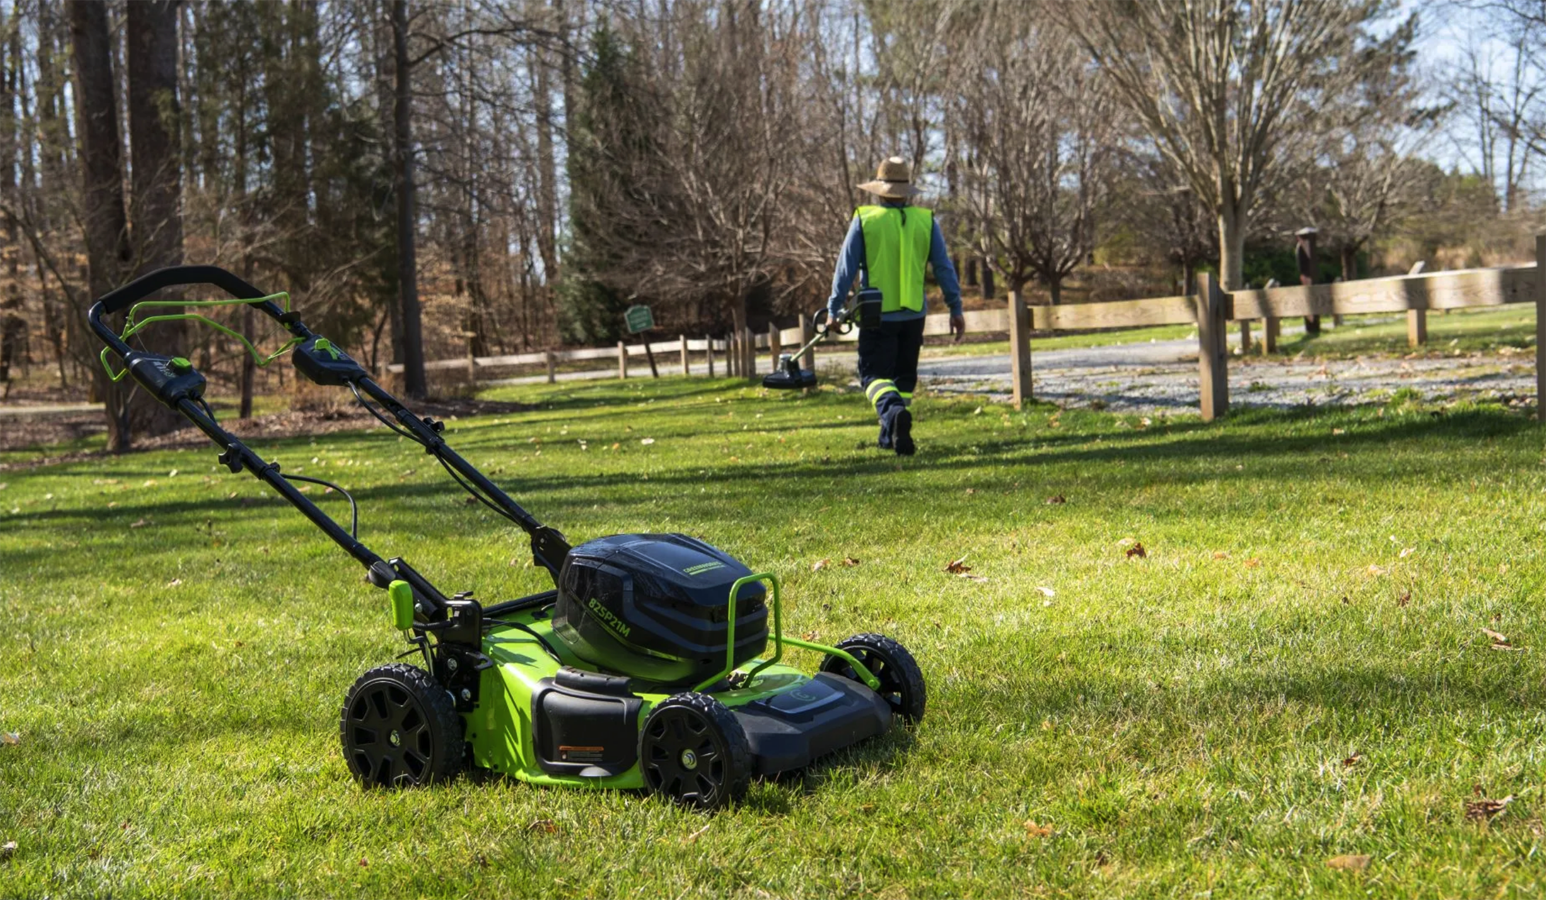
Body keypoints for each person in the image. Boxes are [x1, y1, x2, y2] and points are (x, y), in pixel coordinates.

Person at [827, 157, 964, 456]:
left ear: (879, 190)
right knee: (902, 379)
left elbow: (845, 268)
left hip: (877, 314)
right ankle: (891, 436)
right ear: (906, 191)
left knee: (873, 376)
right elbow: (943, 268)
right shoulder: (926, 221)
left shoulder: (865, 219)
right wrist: (955, 307)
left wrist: (834, 308)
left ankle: (892, 415)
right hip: (914, 314)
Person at [1296, 227, 1321, 335]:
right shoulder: (1300, 248)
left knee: (1313, 299)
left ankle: (1313, 323)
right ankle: (1310, 324)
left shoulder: (1309, 247)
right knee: (1308, 299)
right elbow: (1302, 266)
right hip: (1306, 277)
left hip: (1310, 277)